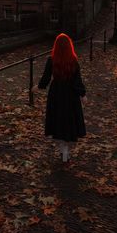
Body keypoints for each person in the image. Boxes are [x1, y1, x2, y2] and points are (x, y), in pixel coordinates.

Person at [33, 33, 87, 162]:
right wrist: (82, 94)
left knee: (57, 119)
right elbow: (77, 80)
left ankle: (63, 150)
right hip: (70, 94)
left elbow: (46, 77)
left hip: (56, 93)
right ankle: (66, 152)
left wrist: (38, 87)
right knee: (68, 119)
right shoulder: (73, 61)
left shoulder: (51, 60)